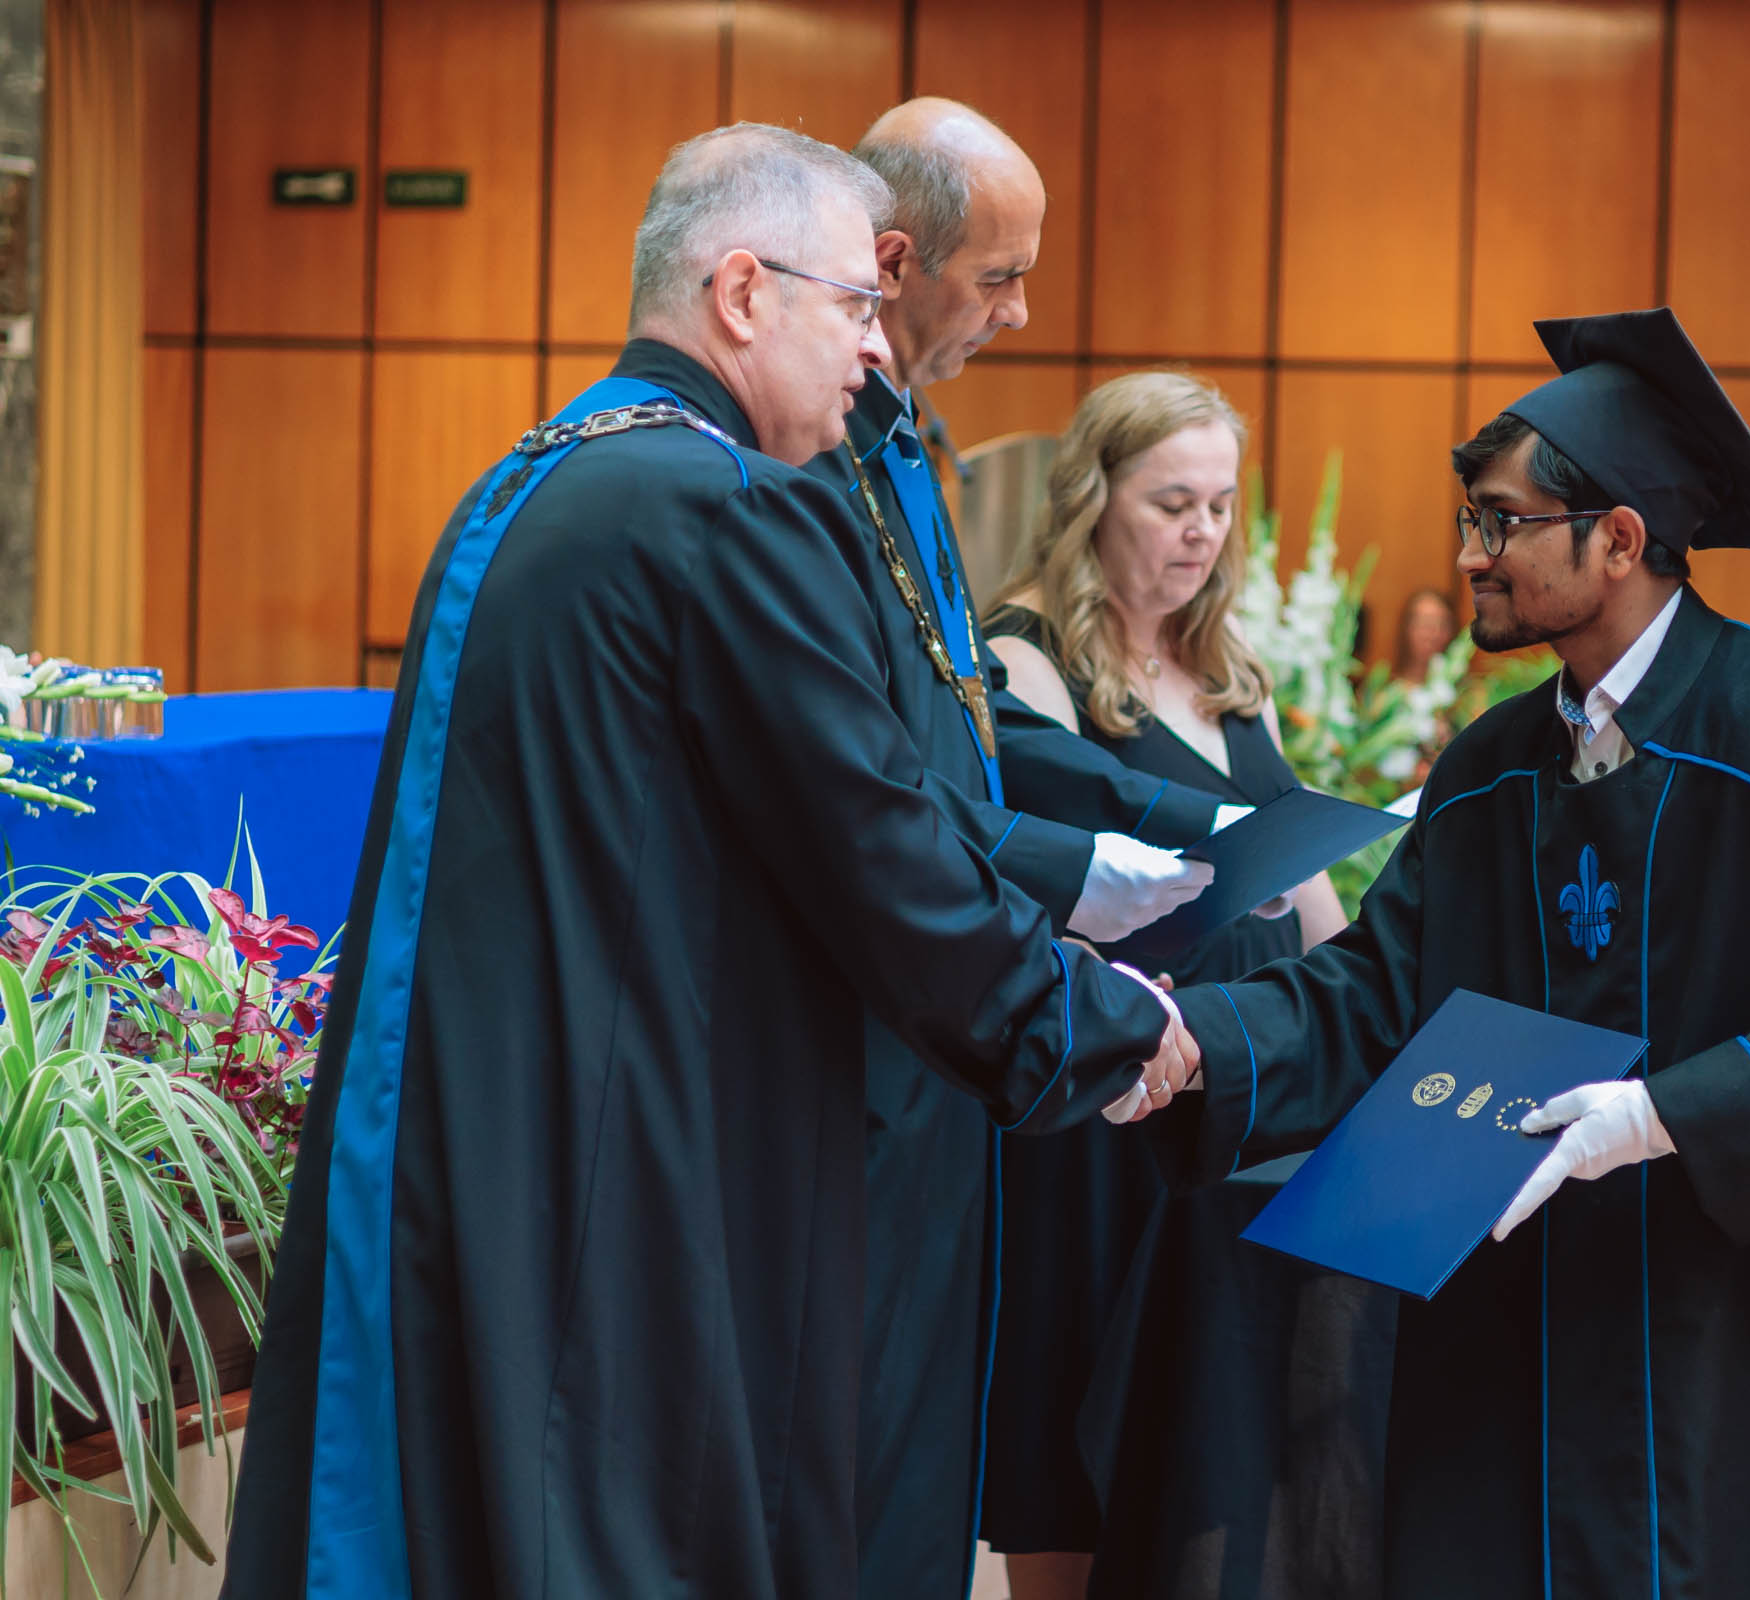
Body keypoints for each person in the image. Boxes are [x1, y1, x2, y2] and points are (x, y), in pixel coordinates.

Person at [220, 125, 1200, 1600]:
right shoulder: (727, 507)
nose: (873, 350)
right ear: (743, 293)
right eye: (854, 306)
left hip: (483, 1129)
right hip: (629, 1153)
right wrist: (1097, 1021)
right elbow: (877, 846)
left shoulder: (532, 479)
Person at [1152, 308, 1750, 1598]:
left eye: (1501, 523)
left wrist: (1659, 1116)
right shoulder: (1489, 769)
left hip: (1733, 1322)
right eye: (1472, 521)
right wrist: (1188, 1038)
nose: (1468, 556)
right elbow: (1374, 994)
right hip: (1519, 1319)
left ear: (1618, 541)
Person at [795, 97, 1235, 1600]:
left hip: (945, 1024)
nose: (1022, 313)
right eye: (1000, 278)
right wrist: (1074, 871)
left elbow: (955, 721)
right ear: (896, 261)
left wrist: (1155, 830)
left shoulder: (900, 443)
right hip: (879, 1023)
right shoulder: (810, 455)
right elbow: (872, 774)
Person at [980, 371, 1363, 1599]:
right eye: (1172, 502)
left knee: (1216, 1421)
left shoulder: (1226, 665)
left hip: (1242, 1084)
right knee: (1081, 1420)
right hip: (1108, 1093)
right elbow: (1026, 891)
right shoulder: (1023, 659)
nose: (1203, 532)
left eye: (1220, 504)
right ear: (1093, 498)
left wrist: (1365, 1030)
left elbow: (1309, 888)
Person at [1391, 586, 1460, 685]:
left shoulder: (1465, 691)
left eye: (1443, 625)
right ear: (1407, 628)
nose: (1435, 634)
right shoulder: (1386, 691)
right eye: (1426, 624)